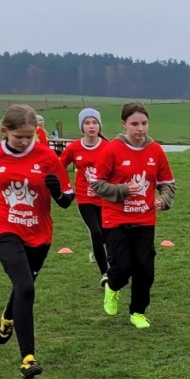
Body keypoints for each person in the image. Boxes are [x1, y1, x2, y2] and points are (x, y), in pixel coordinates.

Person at [0, 104, 73, 379]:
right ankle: (28, 357)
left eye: (30, 136)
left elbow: (67, 200)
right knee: (26, 287)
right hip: (4, 226)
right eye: (19, 136)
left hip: (40, 233)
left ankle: (8, 316)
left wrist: (57, 192)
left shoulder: (47, 156)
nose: (25, 142)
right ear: (5, 131)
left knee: (23, 286)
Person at [92, 102, 175, 329]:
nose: (140, 128)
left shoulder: (155, 150)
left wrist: (164, 200)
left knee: (145, 269)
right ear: (124, 124)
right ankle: (112, 286)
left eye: (144, 123)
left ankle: (138, 312)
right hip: (116, 219)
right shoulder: (113, 149)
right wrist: (123, 190)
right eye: (135, 124)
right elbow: (96, 184)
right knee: (122, 267)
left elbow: (167, 183)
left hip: (145, 219)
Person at [62, 107, 111, 285]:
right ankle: (105, 273)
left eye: (95, 122)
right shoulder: (74, 147)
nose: (91, 126)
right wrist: (65, 188)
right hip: (84, 197)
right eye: (87, 123)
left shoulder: (108, 147)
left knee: (105, 233)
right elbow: (58, 166)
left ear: (99, 126)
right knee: (96, 232)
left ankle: (97, 251)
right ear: (81, 127)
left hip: (105, 197)